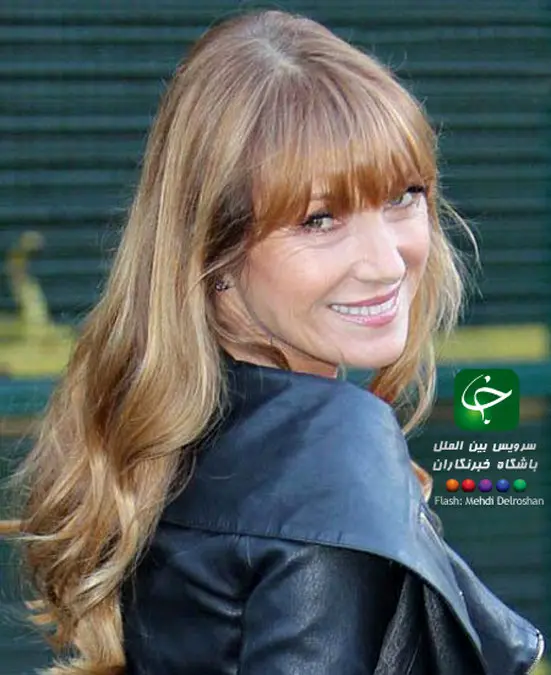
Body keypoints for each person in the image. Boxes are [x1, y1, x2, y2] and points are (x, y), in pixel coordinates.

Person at [0, 8, 545, 675]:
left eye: (403, 196)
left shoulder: (181, 433)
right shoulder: (327, 456)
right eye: (319, 220)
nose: (386, 261)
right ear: (214, 253)